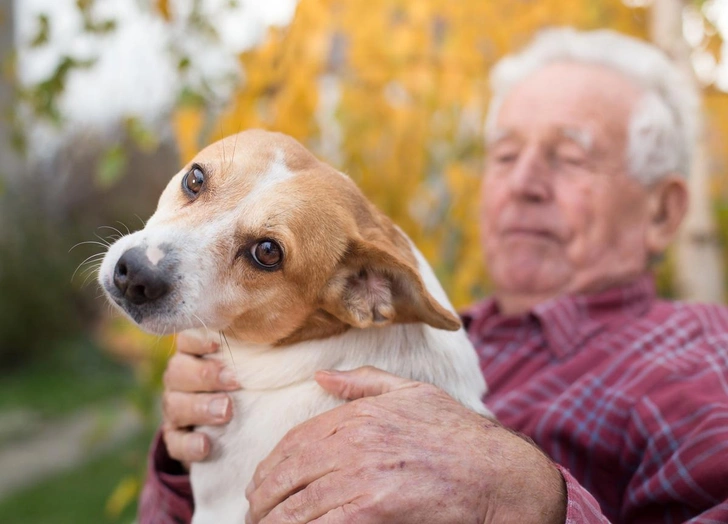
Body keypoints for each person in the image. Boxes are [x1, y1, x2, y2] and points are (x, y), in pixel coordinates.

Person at [139, 28, 728, 523]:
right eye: (503, 154)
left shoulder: (699, 358)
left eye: (570, 157)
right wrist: (193, 449)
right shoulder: (390, 327)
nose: (522, 183)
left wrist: (530, 499)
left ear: (663, 211)